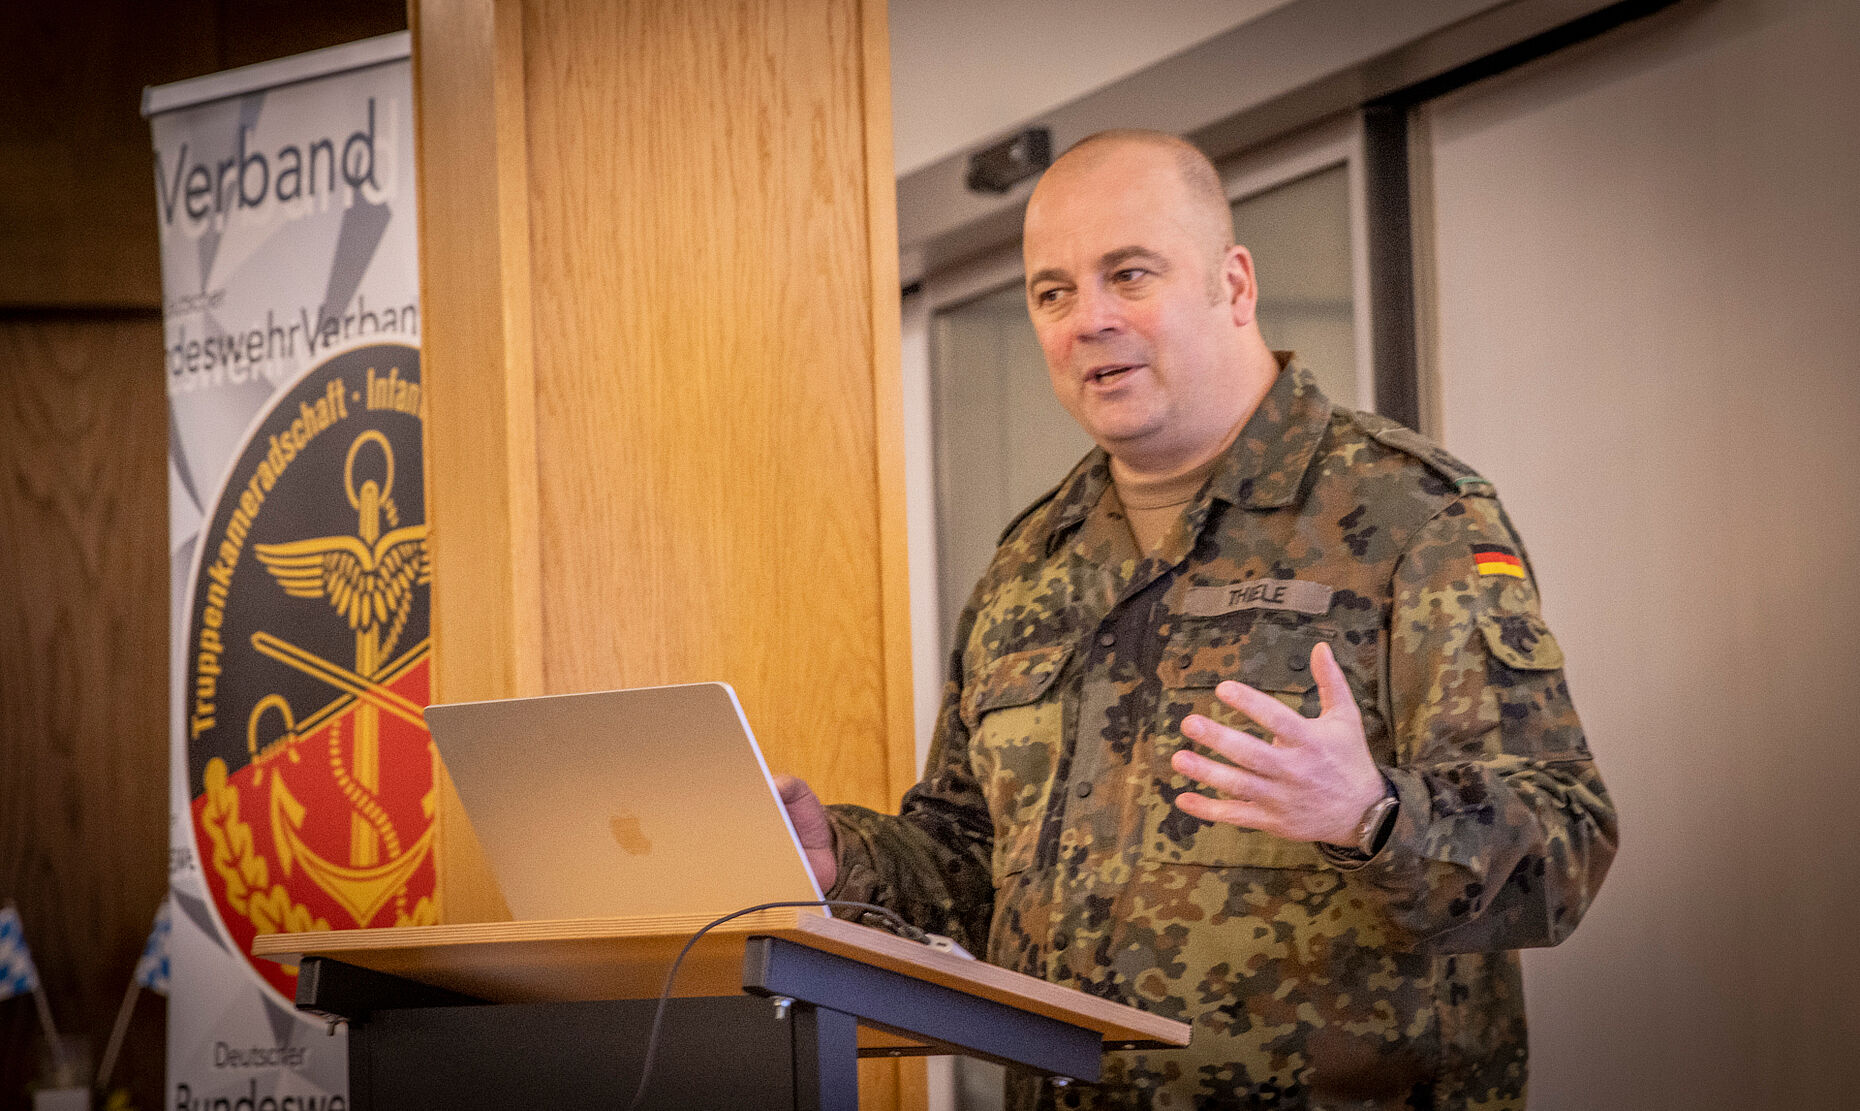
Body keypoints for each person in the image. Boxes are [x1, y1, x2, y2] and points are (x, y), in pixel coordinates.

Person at [778, 129, 1617, 1110]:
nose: (1087, 319)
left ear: (1235, 285)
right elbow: (968, 865)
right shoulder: (1029, 562)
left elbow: (1563, 843)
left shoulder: (1409, 516)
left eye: (1128, 274)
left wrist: (1372, 814)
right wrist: (842, 858)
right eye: (1052, 292)